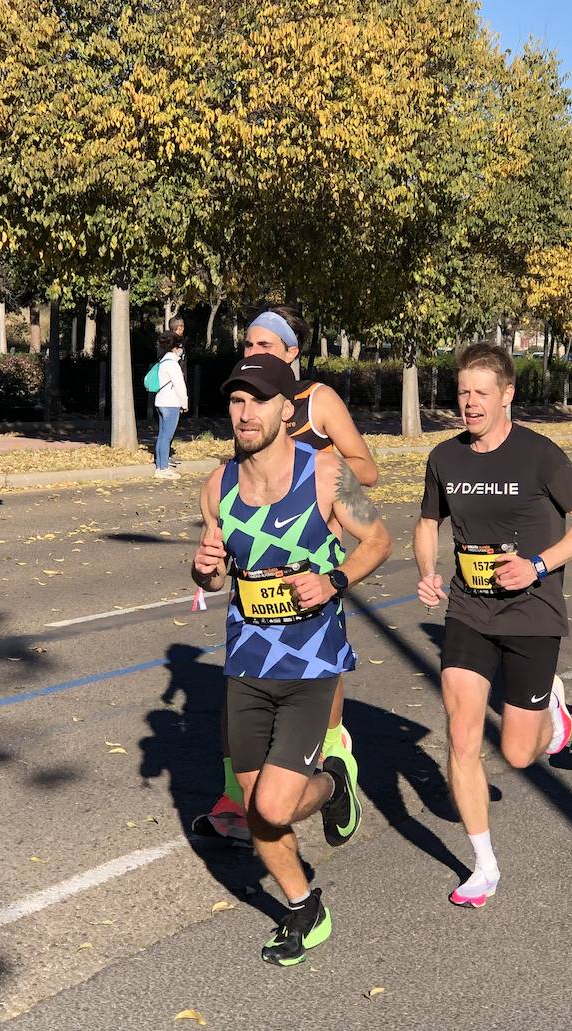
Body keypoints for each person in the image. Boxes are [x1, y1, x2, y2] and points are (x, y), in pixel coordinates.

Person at [191, 353, 391, 965]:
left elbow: (380, 540)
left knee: (273, 806)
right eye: (235, 400)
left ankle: (332, 785)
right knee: (257, 815)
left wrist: (333, 580)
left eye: (256, 399)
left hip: (310, 665)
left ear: (286, 408)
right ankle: (306, 908)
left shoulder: (326, 474)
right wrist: (204, 568)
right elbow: (219, 570)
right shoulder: (218, 486)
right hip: (246, 663)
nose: (244, 412)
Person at [416, 343, 572, 908]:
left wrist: (540, 564)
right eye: (462, 392)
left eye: (481, 393)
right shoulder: (444, 458)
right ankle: (484, 864)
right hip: (470, 611)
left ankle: (553, 709)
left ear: (507, 394)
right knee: (461, 734)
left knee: (521, 754)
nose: (469, 404)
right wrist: (428, 571)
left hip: (532, 613)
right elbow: (428, 522)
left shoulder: (539, 455)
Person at [193, 305, 377, 843]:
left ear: (292, 354)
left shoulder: (316, 401)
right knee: (239, 679)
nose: (254, 352)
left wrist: (309, 462)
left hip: (313, 552)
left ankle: (334, 763)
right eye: (249, 344)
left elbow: (365, 468)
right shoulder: (250, 405)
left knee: (317, 678)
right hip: (257, 567)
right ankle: (236, 794)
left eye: (267, 346)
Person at [151, 331, 188, 480]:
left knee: (162, 436)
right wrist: (184, 403)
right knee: (167, 437)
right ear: (175, 348)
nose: (181, 350)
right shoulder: (173, 365)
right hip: (171, 404)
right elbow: (180, 386)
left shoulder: (162, 362)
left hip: (160, 402)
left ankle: (160, 465)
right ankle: (163, 469)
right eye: (180, 347)